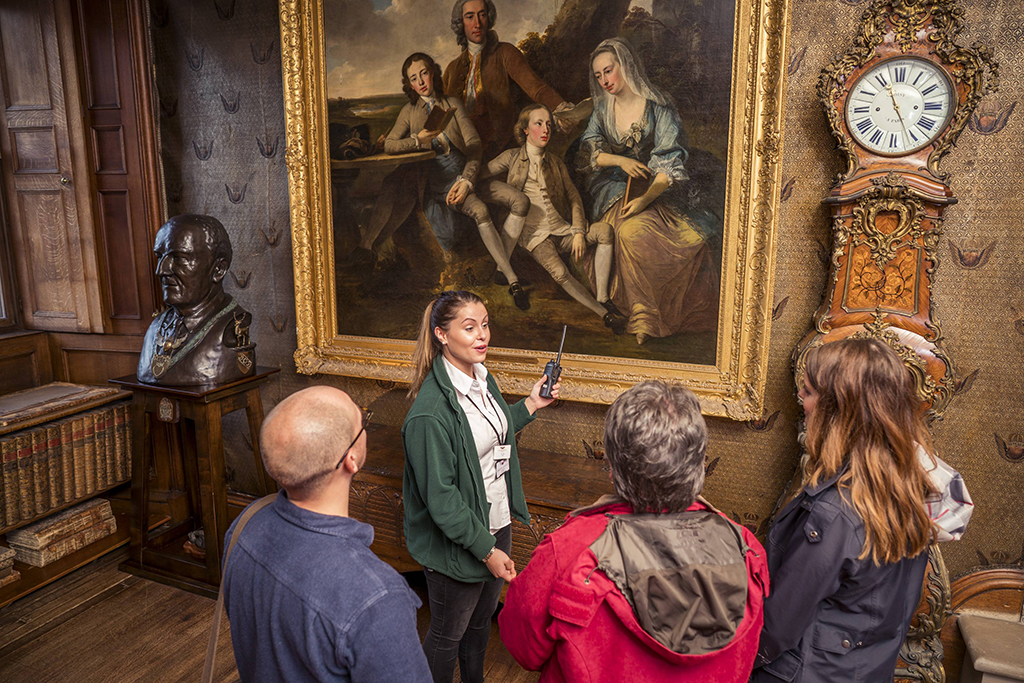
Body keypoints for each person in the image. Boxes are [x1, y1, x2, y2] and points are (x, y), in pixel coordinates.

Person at [498, 380, 768, 682]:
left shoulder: (570, 547)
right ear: (696, 463)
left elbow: (524, 649)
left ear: (614, 464)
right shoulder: (746, 547)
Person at [751, 337, 939, 682]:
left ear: (838, 409)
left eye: (807, 393)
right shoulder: (911, 487)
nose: (801, 402)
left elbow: (779, 625)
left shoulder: (835, 513)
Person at [402, 290, 560, 683]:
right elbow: (442, 501)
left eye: (485, 324)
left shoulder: (482, 378)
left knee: (478, 628)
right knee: (446, 636)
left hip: (496, 521)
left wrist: (531, 404)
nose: (482, 335)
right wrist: (487, 550)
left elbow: (490, 431)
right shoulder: (429, 414)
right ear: (441, 334)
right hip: (463, 540)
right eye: (469, 327)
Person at [222, 386, 431, 683]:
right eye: (362, 422)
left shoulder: (244, 525)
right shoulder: (377, 596)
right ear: (351, 459)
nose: (363, 424)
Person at [579, 37, 720, 345]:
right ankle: (638, 313)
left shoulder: (658, 105)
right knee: (617, 233)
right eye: (599, 75)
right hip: (615, 190)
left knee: (636, 234)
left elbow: (669, 163)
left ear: (626, 66)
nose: (604, 80)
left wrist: (644, 199)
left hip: (660, 191)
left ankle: (647, 314)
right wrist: (622, 161)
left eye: (609, 71)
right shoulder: (603, 109)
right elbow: (591, 152)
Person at [372, 53, 529, 308]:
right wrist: (417, 141)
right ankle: (513, 281)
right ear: (410, 85)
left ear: (432, 73)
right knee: (479, 210)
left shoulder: (452, 103)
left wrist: (467, 180)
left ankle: (503, 271)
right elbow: (390, 145)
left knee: (520, 201)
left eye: (424, 73)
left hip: (470, 173)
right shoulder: (409, 111)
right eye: (414, 78)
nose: (421, 81)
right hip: (441, 184)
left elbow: (474, 144)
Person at [482, 103, 627, 334]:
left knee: (605, 231)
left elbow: (573, 197)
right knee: (560, 274)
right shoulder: (511, 158)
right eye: (538, 124)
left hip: (563, 229)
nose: (545, 129)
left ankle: (603, 297)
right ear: (525, 130)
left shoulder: (556, 162)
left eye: (548, 124)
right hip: (535, 237)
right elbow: (480, 175)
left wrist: (578, 231)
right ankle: (605, 316)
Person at [137, 214, 255, 385]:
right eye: (159, 257)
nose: (161, 270)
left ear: (218, 270)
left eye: (180, 258)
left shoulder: (233, 324)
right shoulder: (155, 328)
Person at [443, 0, 567, 161]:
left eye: (482, 15)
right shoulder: (452, 69)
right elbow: (441, 113)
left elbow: (536, 87)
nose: (477, 23)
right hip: (462, 153)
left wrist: (561, 107)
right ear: (461, 23)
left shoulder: (506, 53)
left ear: (489, 18)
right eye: (469, 17)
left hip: (500, 150)